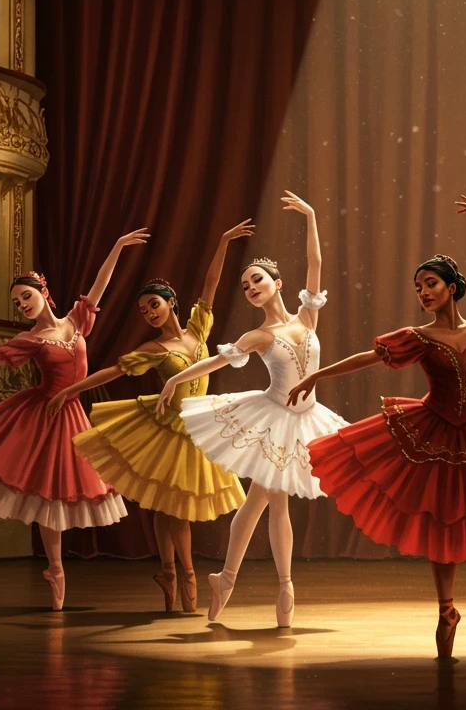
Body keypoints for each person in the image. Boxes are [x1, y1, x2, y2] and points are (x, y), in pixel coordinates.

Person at [286, 196, 466, 659]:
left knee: (459, 519)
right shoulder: (419, 337)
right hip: (431, 431)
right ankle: (446, 608)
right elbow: (367, 358)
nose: (423, 292)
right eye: (418, 287)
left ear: (452, 288)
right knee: (440, 523)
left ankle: (448, 609)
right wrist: (317, 375)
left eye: (431, 284)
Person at [0, 229, 149, 609]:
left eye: (26, 297)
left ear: (43, 293)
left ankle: (55, 569)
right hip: (45, 413)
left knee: (64, 491)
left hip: (72, 414)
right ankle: (56, 568)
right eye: (17, 303)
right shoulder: (31, 339)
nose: (22, 305)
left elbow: (99, 286)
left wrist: (116, 246)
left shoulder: (76, 321)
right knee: (48, 492)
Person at [157, 192, 347, 627]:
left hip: (307, 420)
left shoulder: (307, 317)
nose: (251, 288)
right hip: (275, 420)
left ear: (278, 283)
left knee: (258, 500)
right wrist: (174, 379)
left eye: (256, 279)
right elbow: (215, 361)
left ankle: (225, 580)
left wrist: (311, 216)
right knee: (275, 503)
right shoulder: (258, 336)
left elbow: (316, 263)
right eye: (244, 286)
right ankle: (284, 587)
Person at [47, 220, 255, 612]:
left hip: (197, 428)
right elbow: (113, 371)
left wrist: (224, 240)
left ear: (170, 302)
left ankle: (170, 573)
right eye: (144, 311)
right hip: (168, 427)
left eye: (154, 305)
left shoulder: (197, 329)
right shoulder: (153, 349)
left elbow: (211, 283)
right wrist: (70, 390)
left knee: (167, 503)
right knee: (173, 507)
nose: (149, 314)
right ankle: (186, 574)